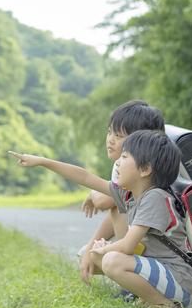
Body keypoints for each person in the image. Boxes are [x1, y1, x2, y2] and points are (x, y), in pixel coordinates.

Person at [9, 130, 192, 308]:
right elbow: (84, 177)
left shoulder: (155, 198)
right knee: (88, 254)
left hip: (181, 281)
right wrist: (43, 162)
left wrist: (104, 249)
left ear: (145, 169)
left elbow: (127, 246)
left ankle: (165, 306)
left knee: (111, 260)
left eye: (124, 157)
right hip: (163, 273)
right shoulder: (129, 193)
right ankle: (149, 296)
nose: (117, 162)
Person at [71, 100, 166, 285]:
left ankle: (139, 286)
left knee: (97, 254)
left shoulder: (144, 172)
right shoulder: (126, 166)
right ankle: (136, 284)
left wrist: (93, 194)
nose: (110, 140)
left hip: (162, 254)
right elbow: (117, 204)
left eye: (119, 135)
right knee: (86, 254)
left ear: (140, 140)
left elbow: (105, 203)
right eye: (109, 132)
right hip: (150, 247)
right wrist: (92, 247)